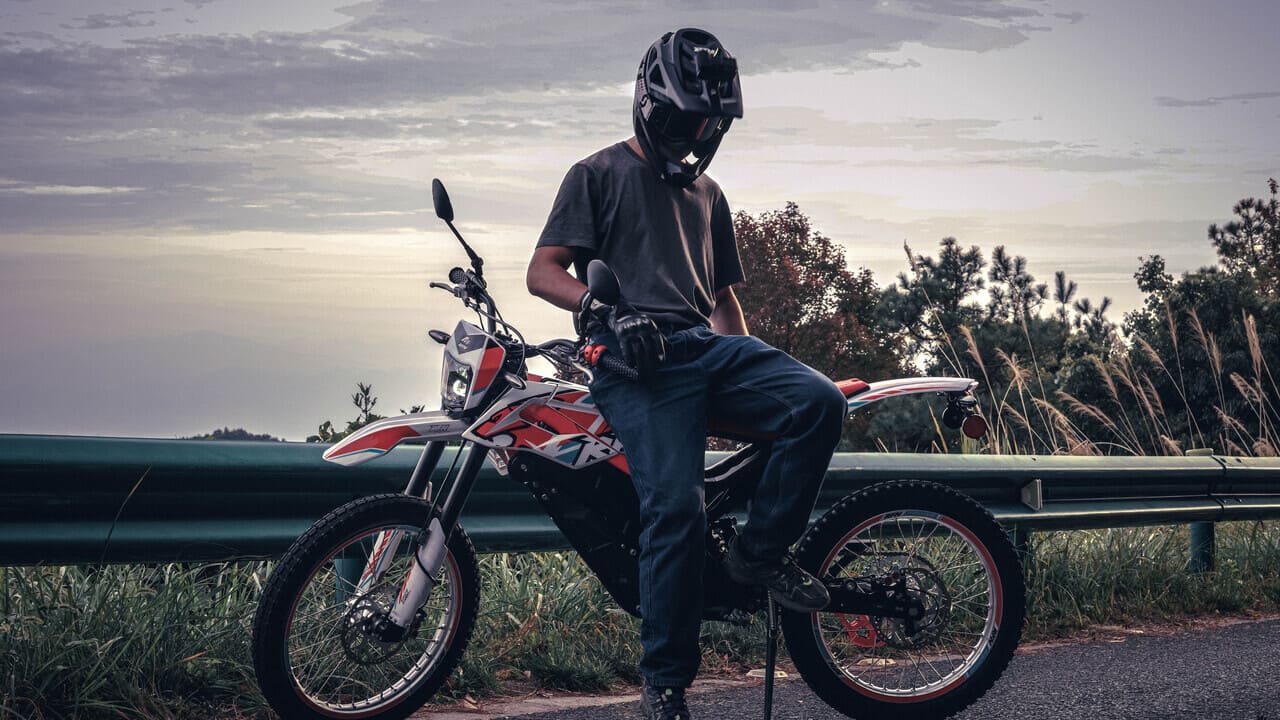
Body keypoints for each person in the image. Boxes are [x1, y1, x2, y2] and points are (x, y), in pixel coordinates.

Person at [525, 28, 847, 720]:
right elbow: (543, 271)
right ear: (649, 104)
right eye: (682, 120)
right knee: (674, 507)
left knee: (818, 401)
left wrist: (760, 372)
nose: (694, 134)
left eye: (706, 124)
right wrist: (602, 307)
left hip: (707, 351)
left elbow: (724, 300)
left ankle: (758, 556)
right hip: (634, 366)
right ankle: (666, 687)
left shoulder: (710, 194)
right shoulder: (597, 174)